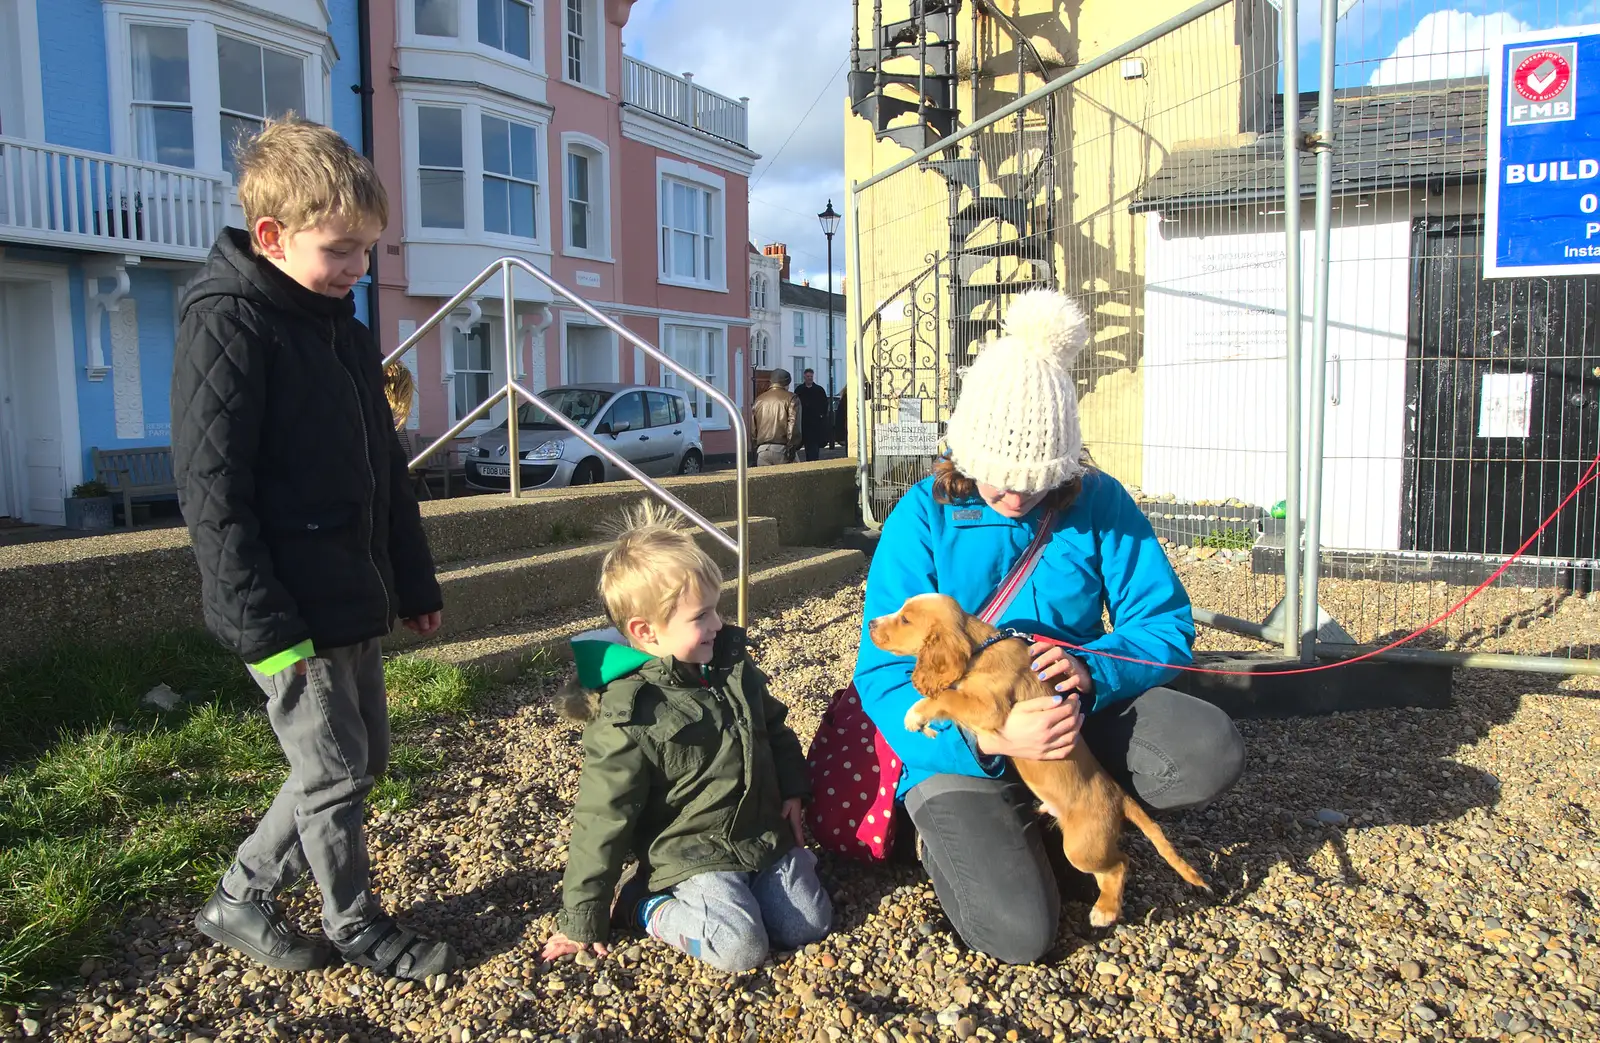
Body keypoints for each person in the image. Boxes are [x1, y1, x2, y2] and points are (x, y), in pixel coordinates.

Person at [851, 289, 1245, 966]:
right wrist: (990, 734)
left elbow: (1165, 622)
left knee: (1208, 746)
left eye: (1035, 481)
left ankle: (1066, 824)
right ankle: (955, 831)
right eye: (998, 478)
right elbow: (883, 674)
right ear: (964, 452)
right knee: (1019, 934)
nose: (1014, 497)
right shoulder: (921, 517)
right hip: (960, 743)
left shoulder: (1100, 502)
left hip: (1069, 730)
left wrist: (1098, 667)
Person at [171, 117, 456, 981]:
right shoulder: (229, 322)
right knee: (332, 774)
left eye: (368, 250)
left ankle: (240, 895)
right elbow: (212, 492)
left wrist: (412, 577)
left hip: (350, 588)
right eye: (341, 250)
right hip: (287, 604)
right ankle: (356, 925)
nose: (358, 270)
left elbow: (385, 468)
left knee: (361, 758)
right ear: (272, 236)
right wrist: (261, 623)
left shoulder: (340, 324)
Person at [542, 501, 832, 972]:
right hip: (691, 850)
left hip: (756, 830)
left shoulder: (730, 665)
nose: (718, 624)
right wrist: (582, 919)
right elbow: (602, 817)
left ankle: (763, 883)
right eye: (702, 616)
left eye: (715, 609)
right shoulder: (629, 712)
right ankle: (644, 905)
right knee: (740, 949)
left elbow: (773, 727)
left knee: (808, 925)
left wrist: (795, 789)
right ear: (646, 632)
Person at [752, 368, 802, 466]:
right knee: (793, 480)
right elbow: (793, 425)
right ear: (787, 383)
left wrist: (755, 449)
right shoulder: (792, 398)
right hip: (782, 448)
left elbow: (753, 429)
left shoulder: (759, 400)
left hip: (762, 450)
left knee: (765, 480)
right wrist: (791, 447)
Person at [794, 368, 830, 461]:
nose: (809, 378)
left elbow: (825, 404)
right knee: (805, 445)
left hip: (815, 424)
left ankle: (813, 460)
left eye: (811, 376)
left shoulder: (819, 390)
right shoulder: (799, 390)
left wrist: (821, 416)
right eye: (808, 376)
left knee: (814, 446)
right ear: (804, 377)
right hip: (803, 423)